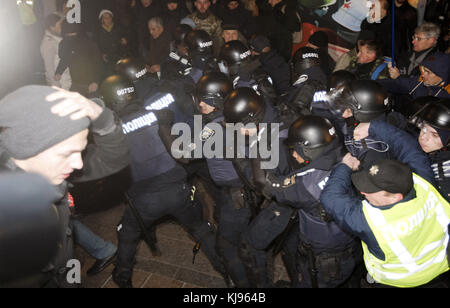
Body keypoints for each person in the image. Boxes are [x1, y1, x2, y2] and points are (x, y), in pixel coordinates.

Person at [99, 74, 227, 288]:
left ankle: (123, 276)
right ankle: (227, 270)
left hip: (143, 200)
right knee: (201, 229)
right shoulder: (158, 114)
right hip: (179, 189)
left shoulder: (112, 132)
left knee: (127, 233)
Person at [0, 85, 130, 287]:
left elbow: (113, 159)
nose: (78, 164)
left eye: (81, 151)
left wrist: (100, 116)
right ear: (27, 149)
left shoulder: (52, 170)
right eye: (67, 153)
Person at [254, 115, 361, 288]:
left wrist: (258, 147)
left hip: (323, 260)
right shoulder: (347, 155)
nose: (293, 154)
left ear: (311, 149)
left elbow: (268, 184)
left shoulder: (306, 184)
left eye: (297, 149)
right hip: (349, 245)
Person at [321, 156, 450, 288]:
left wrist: (345, 166)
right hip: (441, 271)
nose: (362, 192)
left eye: (372, 190)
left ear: (395, 197)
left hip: (397, 282)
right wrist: (372, 133)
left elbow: (330, 198)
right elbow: (411, 150)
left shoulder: (371, 221)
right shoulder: (424, 184)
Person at [377, 52, 450, 105]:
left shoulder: (446, 95)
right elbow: (396, 84)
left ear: (442, 76)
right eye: (423, 70)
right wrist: (373, 83)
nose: (423, 74)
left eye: (428, 72)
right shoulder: (418, 81)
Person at [55, 20, 104, 98]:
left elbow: (99, 63)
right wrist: (59, 72)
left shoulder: (89, 43)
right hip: (76, 83)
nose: (71, 36)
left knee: (93, 106)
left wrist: (95, 82)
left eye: (73, 34)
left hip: (90, 83)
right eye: (68, 34)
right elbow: (65, 59)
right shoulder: (65, 43)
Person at [40, 13, 71, 90]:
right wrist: (56, 87)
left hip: (65, 82)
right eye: (59, 24)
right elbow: (49, 68)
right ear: (52, 27)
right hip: (60, 85)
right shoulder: (48, 43)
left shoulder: (57, 38)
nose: (62, 27)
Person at [95, 9, 129, 75]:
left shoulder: (119, 28)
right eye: (105, 18)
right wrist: (101, 54)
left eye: (109, 17)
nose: (108, 19)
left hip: (119, 57)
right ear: (102, 20)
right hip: (107, 59)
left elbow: (126, 40)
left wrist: (126, 41)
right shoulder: (98, 31)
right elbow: (96, 45)